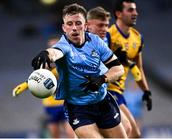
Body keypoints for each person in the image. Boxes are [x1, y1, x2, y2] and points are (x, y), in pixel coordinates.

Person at [31, 3, 127, 138]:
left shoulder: (96, 42)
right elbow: (55, 52)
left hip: (103, 102)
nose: (74, 28)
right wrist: (47, 54)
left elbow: (118, 68)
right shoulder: (63, 46)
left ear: (85, 25)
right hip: (78, 108)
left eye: (78, 23)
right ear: (64, 28)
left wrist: (102, 79)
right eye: (69, 24)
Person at [107, 0, 152, 137]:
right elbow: (95, 64)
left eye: (135, 10)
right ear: (119, 14)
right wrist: (114, 59)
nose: (135, 13)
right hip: (107, 90)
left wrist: (146, 91)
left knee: (134, 134)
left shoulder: (137, 38)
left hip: (119, 92)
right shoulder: (108, 35)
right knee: (129, 132)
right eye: (130, 10)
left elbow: (138, 67)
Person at [12, 39, 75, 138]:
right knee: (54, 134)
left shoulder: (68, 62)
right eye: (52, 46)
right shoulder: (44, 65)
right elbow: (36, 78)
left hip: (66, 103)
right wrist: (25, 85)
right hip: (50, 105)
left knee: (71, 133)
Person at [86, 6, 132, 136]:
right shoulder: (81, 42)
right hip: (88, 96)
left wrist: (117, 56)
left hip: (105, 89)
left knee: (127, 128)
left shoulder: (106, 38)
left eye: (106, 25)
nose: (104, 29)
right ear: (87, 25)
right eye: (100, 25)